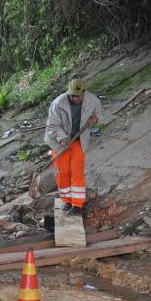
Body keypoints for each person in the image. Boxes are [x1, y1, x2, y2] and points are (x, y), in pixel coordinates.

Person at [44, 79, 103, 215]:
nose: (75, 98)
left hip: (78, 140)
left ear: (83, 92)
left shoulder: (92, 100)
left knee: (77, 172)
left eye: (78, 95)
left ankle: (77, 205)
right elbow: (53, 125)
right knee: (62, 172)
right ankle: (66, 200)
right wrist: (63, 139)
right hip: (58, 142)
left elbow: (100, 112)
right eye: (72, 95)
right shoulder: (58, 103)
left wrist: (96, 119)